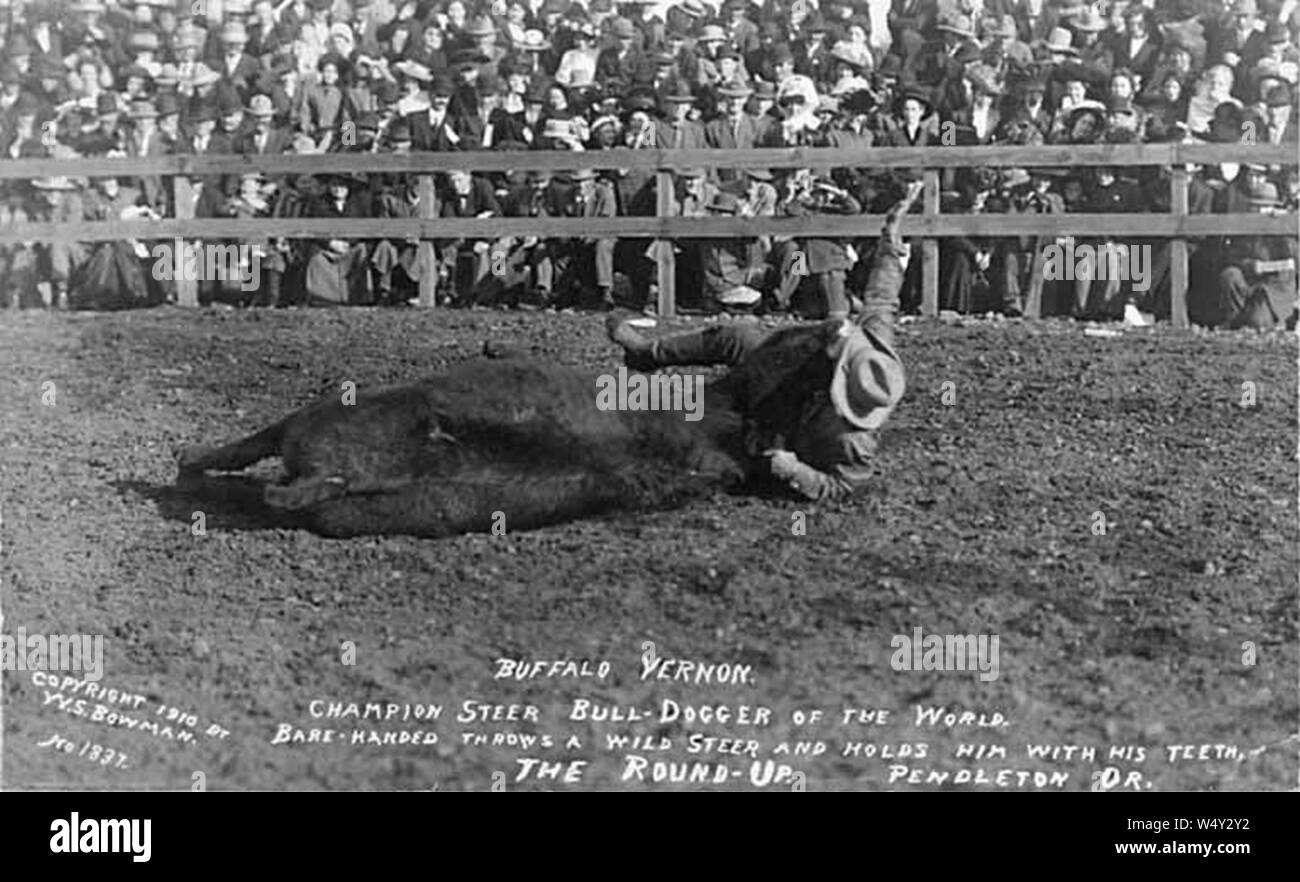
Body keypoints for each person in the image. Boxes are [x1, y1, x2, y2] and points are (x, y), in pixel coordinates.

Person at [604, 181, 923, 501]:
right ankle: (647, 353)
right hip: (786, 357)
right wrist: (891, 235)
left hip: (777, 413)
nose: (841, 339)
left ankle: (628, 412)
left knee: (711, 408)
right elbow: (883, 294)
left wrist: (792, 468)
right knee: (736, 336)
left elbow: (841, 487)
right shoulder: (872, 343)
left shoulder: (853, 441)